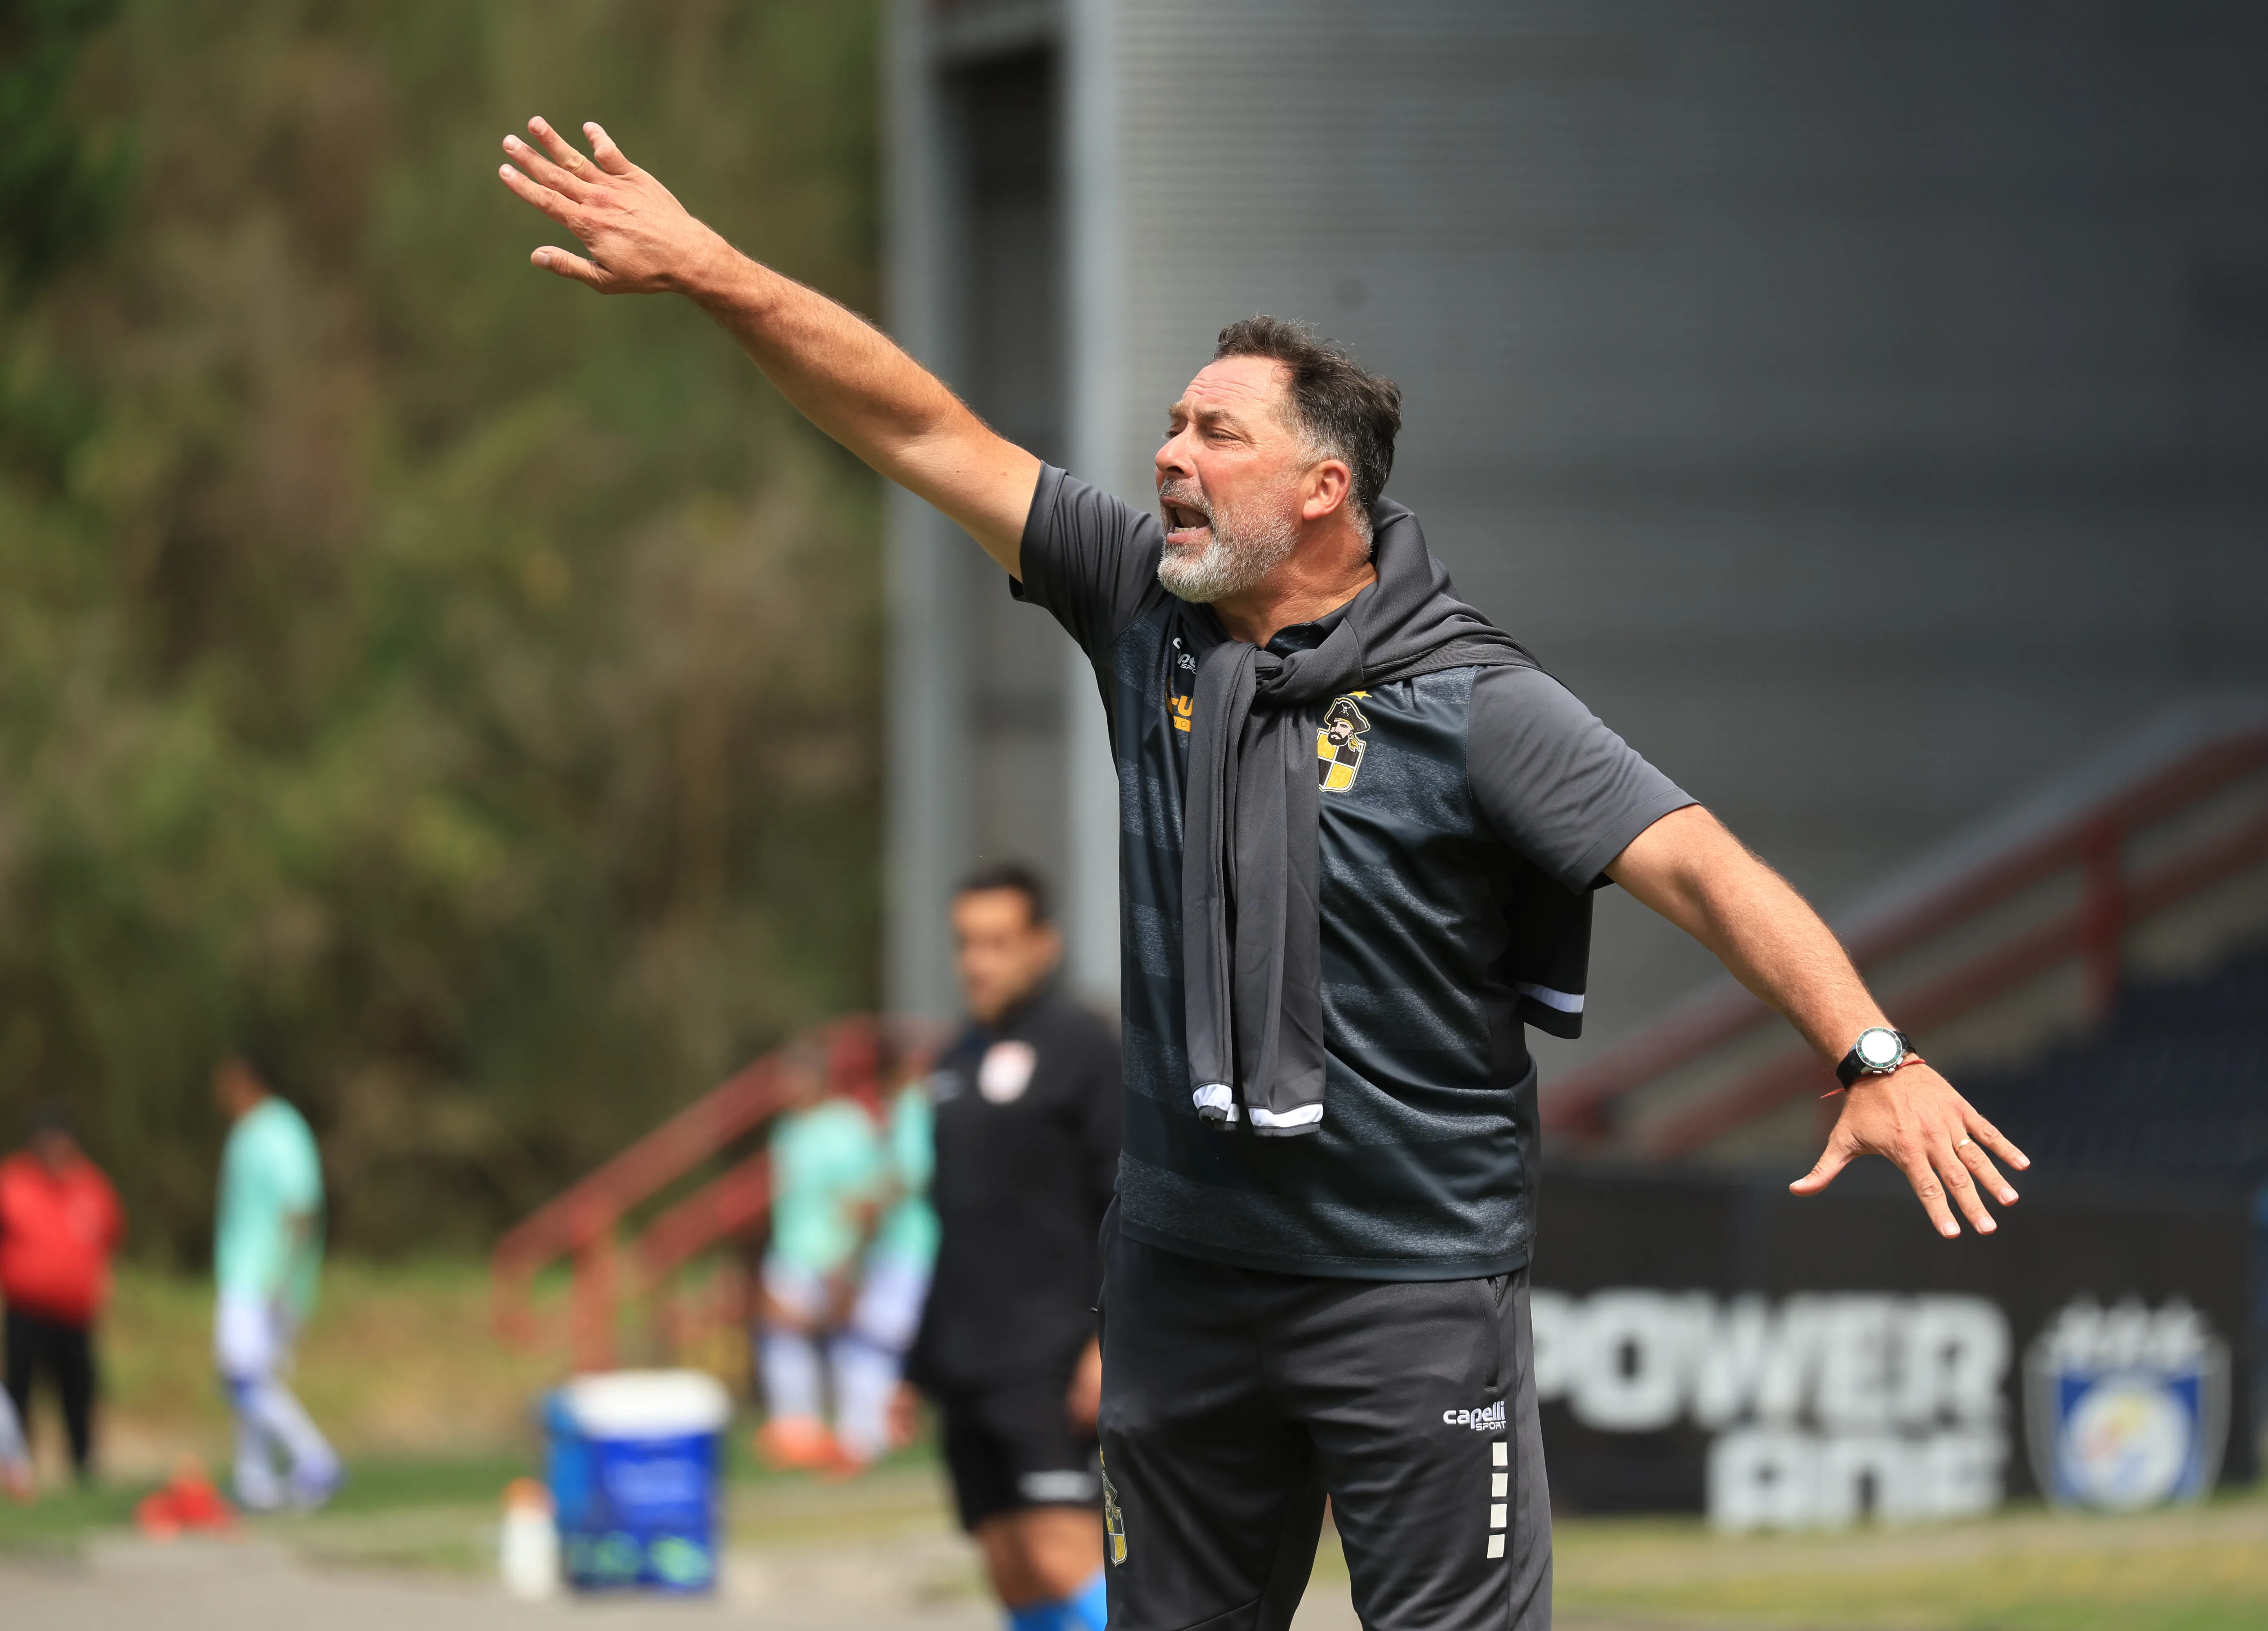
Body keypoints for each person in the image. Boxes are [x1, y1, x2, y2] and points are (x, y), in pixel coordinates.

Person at [497, 122, 2027, 1631]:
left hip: (1411, 1289)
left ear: (1321, 490)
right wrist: (712, 272)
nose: (1166, 453)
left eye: (1214, 433)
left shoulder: (1473, 700)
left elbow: (1697, 863)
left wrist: (1866, 1049)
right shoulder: (1136, 607)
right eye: (1169, 425)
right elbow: (915, 428)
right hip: (1181, 1280)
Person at [902, 864, 1121, 1631]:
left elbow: (1122, 1204)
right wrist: (916, 1362)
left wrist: (1108, 1342)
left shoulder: (1084, 1049)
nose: (978, 961)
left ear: (1042, 946)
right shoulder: (952, 1062)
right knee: (1011, 1566)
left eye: (998, 942)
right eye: (966, 943)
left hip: (1053, 1360)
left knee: (1065, 1554)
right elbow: (954, 1224)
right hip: (969, 1363)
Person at [213, 1056, 342, 1511]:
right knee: (253, 1378)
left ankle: (316, 1458)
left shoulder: (282, 1130)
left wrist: (283, 1278)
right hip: (244, 1272)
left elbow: (300, 1207)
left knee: (242, 1375)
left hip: (265, 1277)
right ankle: (256, 1482)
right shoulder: (246, 1131)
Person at [756, 1039, 888, 1471]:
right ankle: (799, 1438)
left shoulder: (846, 1126)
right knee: (783, 1345)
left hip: (837, 1255)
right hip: (792, 1254)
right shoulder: (787, 1130)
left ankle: (858, 1443)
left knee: (851, 1350)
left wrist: (850, 1264)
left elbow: (867, 1199)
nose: (785, 1088)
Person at [0, 1106, 123, 1488]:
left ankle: (83, 1469)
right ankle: (15, 1470)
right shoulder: (12, 1182)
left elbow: (109, 1239)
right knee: (18, 1392)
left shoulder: (91, 1184)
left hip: (75, 1314)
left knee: (79, 1393)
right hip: (26, 1311)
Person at [829, 1050, 938, 1472]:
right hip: (909, 1247)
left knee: (872, 1343)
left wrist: (866, 1204)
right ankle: (876, 1432)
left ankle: (864, 1439)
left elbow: (909, 1174)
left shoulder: (912, 1106)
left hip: (912, 1248)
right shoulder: (918, 1107)